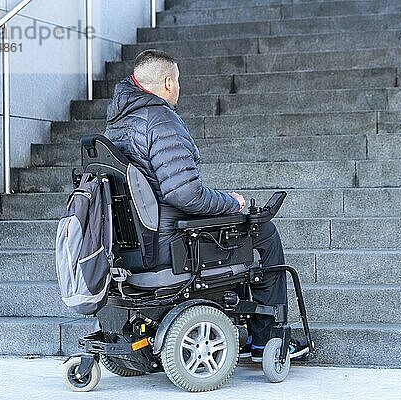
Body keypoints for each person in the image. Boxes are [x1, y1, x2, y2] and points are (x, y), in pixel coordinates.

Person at [104, 49, 304, 362]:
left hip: (135, 246)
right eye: (178, 81)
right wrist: (232, 203)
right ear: (169, 83)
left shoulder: (116, 124)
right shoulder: (160, 121)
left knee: (240, 228)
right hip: (170, 245)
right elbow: (185, 195)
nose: (179, 88)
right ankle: (266, 339)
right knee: (262, 229)